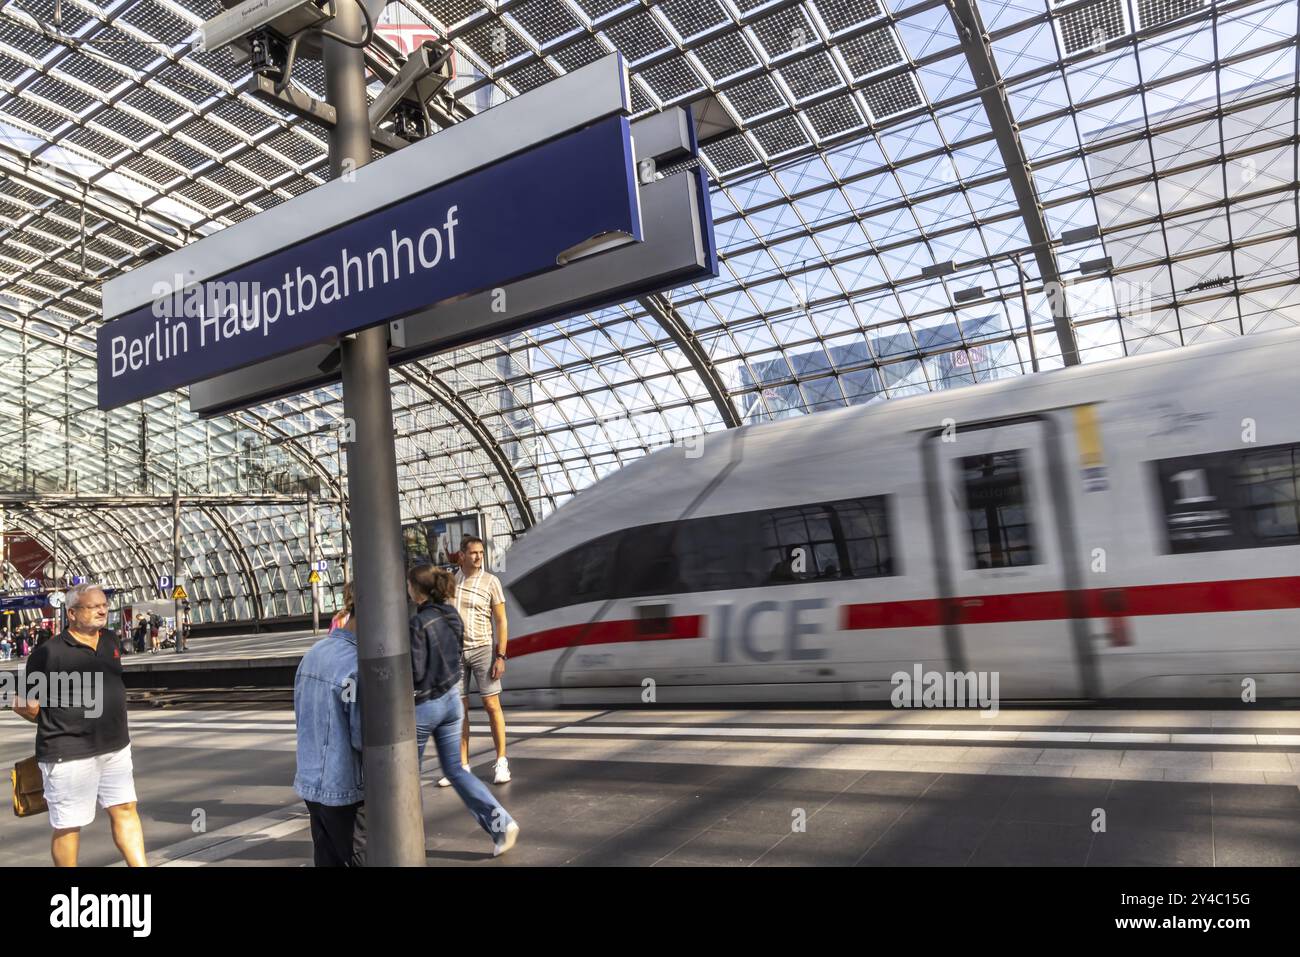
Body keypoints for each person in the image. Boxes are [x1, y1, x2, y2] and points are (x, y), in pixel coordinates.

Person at [11, 584, 146, 867]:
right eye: (93, 606)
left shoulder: (109, 640)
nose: (102, 611)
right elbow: (24, 703)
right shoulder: (49, 653)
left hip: (115, 746)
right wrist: (56, 720)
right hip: (69, 752)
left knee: (125, 808)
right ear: (71, 613)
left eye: (104, 606)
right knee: (69, 825)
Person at [408, 564, 519, 856]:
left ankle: (403, 841)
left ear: (417, 591)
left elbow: (416, 672)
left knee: (406, 775)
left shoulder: (418, 624)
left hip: (427, 705)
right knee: (457, 770)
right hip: (451, 702)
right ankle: (501, 824)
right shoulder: (452, 615)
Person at [293, 583, 365, 867]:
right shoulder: (356, 666)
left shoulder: (314, 653)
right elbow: (362, 738)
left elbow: (301, 715)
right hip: (345, 788)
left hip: (311, 783)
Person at [449, 536, 512, 786]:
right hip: (455, 653)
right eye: (473, 552)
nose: (478, 557)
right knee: (459, 711)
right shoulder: (451, 581)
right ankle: (463, 766)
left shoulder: (491, 582)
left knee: (491, 705)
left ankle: (502, 761)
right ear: (461, 555)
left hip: (483, 649)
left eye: (481, 553)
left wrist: (501, 655)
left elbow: (501, 621)